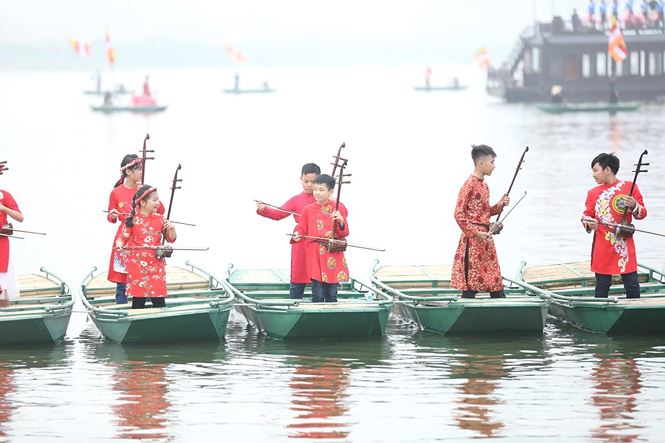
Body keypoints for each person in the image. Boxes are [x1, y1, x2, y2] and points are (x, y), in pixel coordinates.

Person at [581, 153, 647, 299]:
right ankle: (600, 314)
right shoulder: (593, 193)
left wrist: (634, 205)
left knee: (632, 285)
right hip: (602, 246)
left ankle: (635, 313)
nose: (593, 175)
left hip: (624, 244)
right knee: (602, 285)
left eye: (595, 170)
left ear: (607, 170)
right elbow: (586, 215)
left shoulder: (630, 187)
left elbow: (642, 214)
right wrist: (589, 224)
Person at [450, 145, 510, 299]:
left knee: (494, 280)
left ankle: (501, 305)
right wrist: (476, 233)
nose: (494, 166)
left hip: (486, 239)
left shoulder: (484, 185)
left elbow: (484, 212)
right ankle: (467, 311)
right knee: (471, 283)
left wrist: (499, 205)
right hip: (473, 241)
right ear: (480, 163)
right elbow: (458, 214)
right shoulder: (469, 184)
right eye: (492, 162)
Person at [256, 163, 321, 299]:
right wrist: (264, 209)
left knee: (319, 275)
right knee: (298, 272)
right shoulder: (296, 200)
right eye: (306, 181)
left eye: (313, 181)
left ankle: (321, 304)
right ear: (300, 179)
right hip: (300, 239)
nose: (309, 185)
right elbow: (278, 214)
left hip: (319, 241)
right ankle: (294, 302)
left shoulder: (324, 199)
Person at [107, 154, 164, 304]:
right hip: (124, 236)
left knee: (147, 275)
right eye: (137, 169)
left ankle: (153, 307)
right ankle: (121, 310)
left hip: (143, 238)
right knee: (122, 279)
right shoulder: (116, 192)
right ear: (128, 172)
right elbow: (111, 218)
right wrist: (113, 214)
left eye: (141, 168)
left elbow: (161, 210)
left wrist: (147, 194)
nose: (141, 172)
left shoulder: (143, 190)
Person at [116, 185, 176, 309]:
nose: (157, 203)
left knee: (159, 300)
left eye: (157, 199)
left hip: (156, 265)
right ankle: (138, 324)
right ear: (142, 202)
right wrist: (119, 244)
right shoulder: (132, 219)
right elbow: (122, 237)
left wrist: (172, 228)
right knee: (138, 301)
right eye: (153, 200)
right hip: (137, 266)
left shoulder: (160, 219)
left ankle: (161, 321)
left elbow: (171, 238)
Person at [293, 174, 349, 303]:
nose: (317, 193)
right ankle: (316, 319)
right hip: (315, 253)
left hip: (332, 252)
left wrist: (341, 220)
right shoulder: (307, 209)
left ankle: (332, 318)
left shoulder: (338, 207)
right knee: (317, 293)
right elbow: (302, 228)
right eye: (315, 189)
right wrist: (297, 234)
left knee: (332, 294)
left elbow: (344, 232)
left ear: (330, 191)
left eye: (321, 190)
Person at [0, 185, 23, 303]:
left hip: (1, 243)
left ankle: (3, 314)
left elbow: (20, 217)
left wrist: (4, 208)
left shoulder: (5, 195)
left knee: (3, 284)